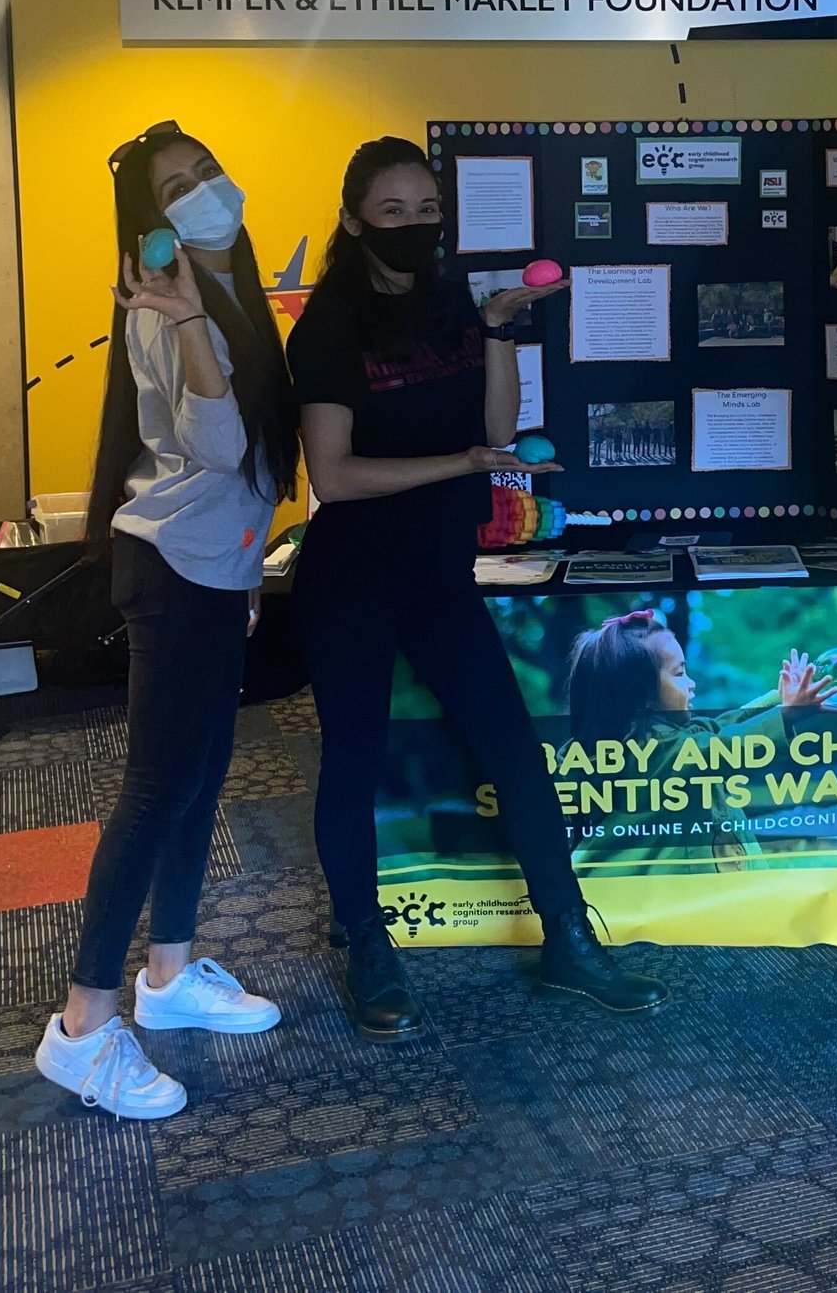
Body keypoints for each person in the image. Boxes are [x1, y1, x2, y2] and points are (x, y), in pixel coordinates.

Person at [287, 136, 665, 1038]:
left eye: (429, 212)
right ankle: (368, 943)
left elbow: (497, 427)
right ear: (352, 219)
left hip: (437, 574)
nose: (416, 227)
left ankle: (568, 936)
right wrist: (458, 461)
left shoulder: (445, 296)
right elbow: (332, 478)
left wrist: (496, 329)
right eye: (394, 212)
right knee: (352, 759)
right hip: (350, 582)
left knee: (514, 748)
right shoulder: (329, 326)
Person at [36, 120, 298, 1120]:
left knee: (199, 777)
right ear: (150, 224)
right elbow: (223, 444)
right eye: (176, 188)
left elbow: (254, 472)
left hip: (211, 564)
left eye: (206, 173)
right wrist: (189, 322)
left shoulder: (230, 282)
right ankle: (83, 1025)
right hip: (170, 565)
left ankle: (169, 973)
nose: (200, 194)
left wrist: (241, 577)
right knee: (156, 789)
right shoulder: (166, 307)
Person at [562, 608, 834, 872]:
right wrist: (786, 715)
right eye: (679, 674)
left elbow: (717, 730)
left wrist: (777, 701)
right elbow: (722, 747)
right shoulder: (656, 753)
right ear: (641, 694)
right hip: (656, 906)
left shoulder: (638, 746)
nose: (691, 683)